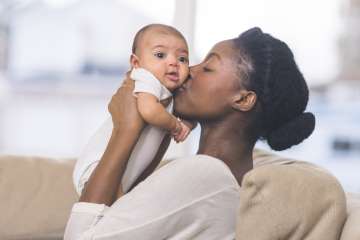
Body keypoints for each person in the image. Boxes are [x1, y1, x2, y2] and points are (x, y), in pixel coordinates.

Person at [64, 27, 315, 240]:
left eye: (208, 68)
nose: (188, 70)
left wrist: (125, 130)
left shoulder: (206, 175)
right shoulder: (219, 177)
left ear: (243, 99)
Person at [73, 24, 195, 195]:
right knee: (116, 211)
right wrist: (176, 126)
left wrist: (188, 124)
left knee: (120, 210)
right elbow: (149, 111)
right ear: (136, 63)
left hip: (125, 173)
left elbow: (191, 111)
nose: (174, 62)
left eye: (182, 59)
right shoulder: (145, 78)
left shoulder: (170, 91)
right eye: (160, 55)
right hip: (97, 166)